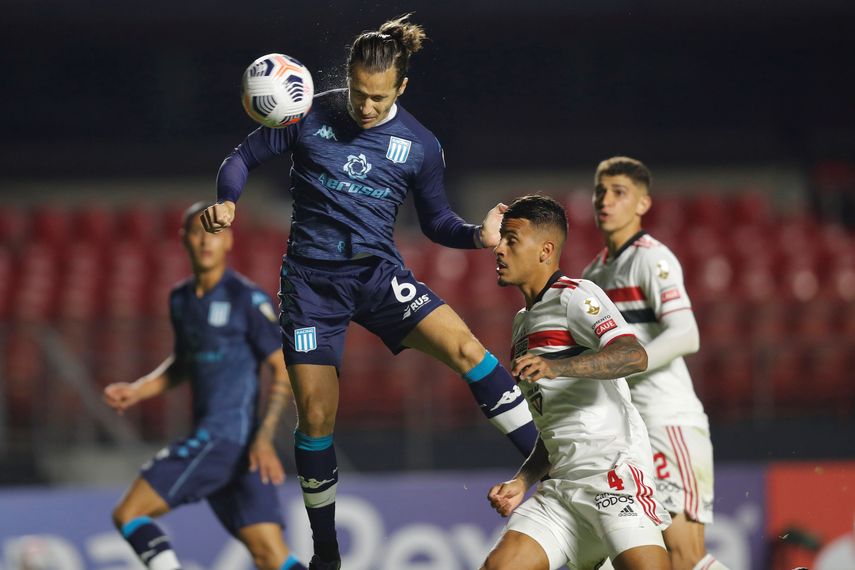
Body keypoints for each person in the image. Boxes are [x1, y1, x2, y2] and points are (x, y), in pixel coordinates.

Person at [200, 14, 537, 569]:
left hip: (379, 276)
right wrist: (228, 198)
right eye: (359, 92)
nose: (366, 107)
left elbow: (436, 223)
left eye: (379, 97)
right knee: (315, 416)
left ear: (400, 88)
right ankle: (326, 549)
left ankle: (542, 459)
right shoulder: (307, 112)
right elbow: (240, 158)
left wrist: (478, 234)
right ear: (348, 80)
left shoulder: (421, 146)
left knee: (467, 349)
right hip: (312, 286)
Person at [104, 202, 306, 570]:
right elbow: (184, 362)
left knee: (129, 513)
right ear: (184, 240)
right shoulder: (181, 300)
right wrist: (138, 389)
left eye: (215, 232)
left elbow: (281, 368)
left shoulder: (246, 298)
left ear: (228, 240)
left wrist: (264, 437)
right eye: (197, 232)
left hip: (223, 439)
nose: (205, 241)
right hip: (233, 452)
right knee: (271, 556)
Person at [482, 195, 671, 570]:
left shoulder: (576, 296)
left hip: (611, 473)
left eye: (511, 240)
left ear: (545, 250)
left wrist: (559, 368)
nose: (499, 249)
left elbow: (634, 355)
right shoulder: (522, 324)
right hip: (561, 489)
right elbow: (555, 427)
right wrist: (523, 480)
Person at [582, 157, 727, 570]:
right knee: (634, 559)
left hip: (668, 420)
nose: (605, 201)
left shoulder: (652, 258)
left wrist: (623, 364)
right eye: (600, 192)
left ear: (643, 204)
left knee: (684, 556)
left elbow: (686, 333)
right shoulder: (594, 273)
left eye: (619, 192)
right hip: (629, 433)